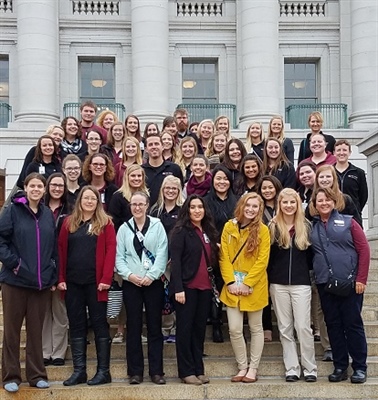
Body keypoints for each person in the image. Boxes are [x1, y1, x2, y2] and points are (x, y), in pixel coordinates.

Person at [0, 173, 57, 393]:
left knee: (35, 331)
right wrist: (15, 265)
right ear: (25, 187)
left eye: (39, 186)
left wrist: (51, 271)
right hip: (14, 282)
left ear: (44, 190)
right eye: (32, 185)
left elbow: (52, 248)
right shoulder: (12, 210)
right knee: (12, 332)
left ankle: (36, 374)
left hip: (40, 284)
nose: (36, 189)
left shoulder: (46, 215)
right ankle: (11, 376)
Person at [309, 187, 370, 384]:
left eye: (327, 200)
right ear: (315, 205)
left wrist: (361, 279)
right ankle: (340, 366)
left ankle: (360, 367)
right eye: (320, 201)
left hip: (350, 283)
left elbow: (364, 249)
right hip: (325, 284)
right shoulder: (312, 227)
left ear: (334, 202)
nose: (324, 203)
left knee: (352, 325)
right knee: (333, 326)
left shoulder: (348, 222)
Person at [58, 185, 116, 386]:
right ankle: (79, 371)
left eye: (93, 198)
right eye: (86, 198)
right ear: (80, 200)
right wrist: (61, 278)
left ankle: (103, 372)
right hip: (73, 283)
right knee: (76, 325)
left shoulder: (106, 223)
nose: (89, 201)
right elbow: (60, 250)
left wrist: (106, 279)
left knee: (100, 325)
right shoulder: (68, 223)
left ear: (97, 201)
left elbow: (111, 251)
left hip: (96, 284)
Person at [116, 191, 168, 385]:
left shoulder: (157, 225)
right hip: (131, 283)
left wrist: (151, 276)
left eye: (141, 204)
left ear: (147, 205)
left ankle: (157, 372)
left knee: (154, 327)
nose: (137, 208)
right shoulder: (123, 228)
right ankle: (135, 372)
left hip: (152, 283)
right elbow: (119, 257)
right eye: (134, 204)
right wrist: (129, 275)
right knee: (133, 326)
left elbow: (163, 252)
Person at [219, 192, 270, 383]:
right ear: (241, 205)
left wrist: (248, 283)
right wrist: (231, 282)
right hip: (232, 286)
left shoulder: (263, 230)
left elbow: (262, 260)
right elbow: (223, 256)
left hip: (254, 286)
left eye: (255, 206)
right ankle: (242, 366)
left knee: (256, 328)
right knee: (234, 328)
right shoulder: (229, 227)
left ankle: (253, 368)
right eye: (248, 205)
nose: (250, 209)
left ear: (260, 209)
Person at [268, 188, 317, 382]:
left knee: (303, 326)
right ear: (279, 205)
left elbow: (312, 257)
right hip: (278, 283)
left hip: (301, 283)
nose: (288, 206)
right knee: (285, 328)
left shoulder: (306, 226)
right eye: (285, 202)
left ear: (298, 204)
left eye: (292, 202)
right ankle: (292, 368)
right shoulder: (272, 226)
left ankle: (310, 368)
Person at [169, 195, 219, 385]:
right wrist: (178, 288)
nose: (197, 210)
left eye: (200, 207)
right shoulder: (181, 231)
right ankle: (186, 371)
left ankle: (199, 369)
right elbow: (176, 263)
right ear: (187, 210)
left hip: (205, 289)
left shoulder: (207, 231)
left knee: (198, 331)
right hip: (186, 288)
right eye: (193, 207)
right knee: (184, 330)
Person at [204, 165, 238, 343]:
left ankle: (236, 327)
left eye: (225, 179)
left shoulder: (237, 201)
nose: (222, 182)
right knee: (215, 287)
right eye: (218, 178)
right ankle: (216, 324)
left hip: (235, 252)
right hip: (213, 250)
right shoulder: (205, 201)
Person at [150, 176, 184, 343]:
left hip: (177, 261)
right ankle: (165, 328)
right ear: (162, 190)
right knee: (161, 298)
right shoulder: (154, 211)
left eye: (174, 189)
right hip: (157, 261)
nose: (170, 191)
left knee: (175, 295)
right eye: (167, 188)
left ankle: (177, 329)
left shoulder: (183, 211)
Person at [42, 173, 70, 367]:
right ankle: (44, 351)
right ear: (47, 187)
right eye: (54, 185)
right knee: (44, 313)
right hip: (42, 267)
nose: (57, 188)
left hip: (63, 265)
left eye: (61, 185)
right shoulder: (39, 209)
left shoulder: (69, 210)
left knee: (60, 313)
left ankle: (58, 353)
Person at [258, 175, 283, 342]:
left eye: (270, 188)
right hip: (262, 254)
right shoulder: (257, 208)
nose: (267, 191)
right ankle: (266, 326)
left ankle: (284, 328)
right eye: (264, 188)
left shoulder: (283, 205)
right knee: (264, 293)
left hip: (281, 254)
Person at [142, 134, 183, 206]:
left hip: (168, 213)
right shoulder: (141, 171)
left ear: (163, 146)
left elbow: (180, 191)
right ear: (146, 149)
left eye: (157, 144)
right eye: (150, 144)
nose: (154, 147)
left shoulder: (174, 169)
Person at [333, 139, 368, 218]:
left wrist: (355, 209)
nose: (341, 153)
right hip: (332, 215)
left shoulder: (359, 173)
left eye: (344, 150)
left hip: (353, 216)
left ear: (350, 153)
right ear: (334, 153)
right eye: (338, 150)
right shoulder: (329, 172)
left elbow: (363, 196)